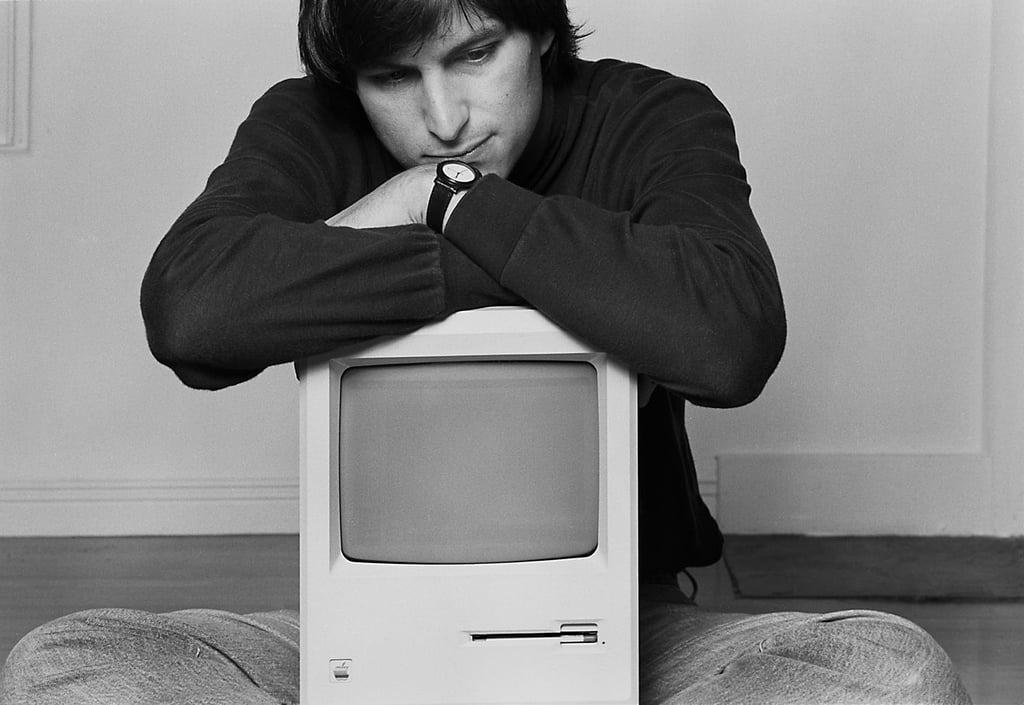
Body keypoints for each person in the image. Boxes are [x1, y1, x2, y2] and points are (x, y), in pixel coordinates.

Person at [1, 1, 971, 703]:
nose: (443, 122)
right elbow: (193, 313)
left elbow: (727, 337)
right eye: (392, 79)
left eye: (474, 55)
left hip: (624, 639)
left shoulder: (652, 120)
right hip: (360, 641)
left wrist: (445, 203)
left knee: (892, 674)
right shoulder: (310, 124)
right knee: (63, 667)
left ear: (541, 29)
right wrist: (573, 282)